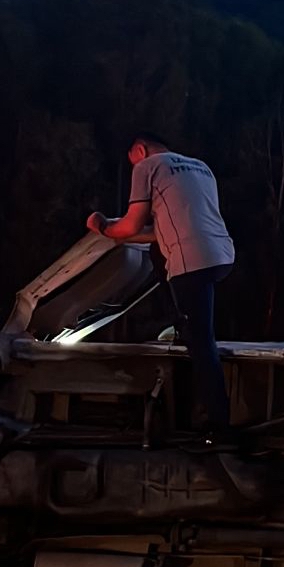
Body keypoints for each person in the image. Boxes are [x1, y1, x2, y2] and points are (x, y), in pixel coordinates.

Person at [87, 132, 235, 434]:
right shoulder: (200, 167)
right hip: (221, 255)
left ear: (139, 150)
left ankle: (218, 424)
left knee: (202, 343)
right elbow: (158, 231)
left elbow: (131, 223)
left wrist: (102, 226)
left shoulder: (148, 166)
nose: (134, 168)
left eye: (132, 161)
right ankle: (180, 324)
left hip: (191, 261)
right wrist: (120, 234)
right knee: (162, 260)